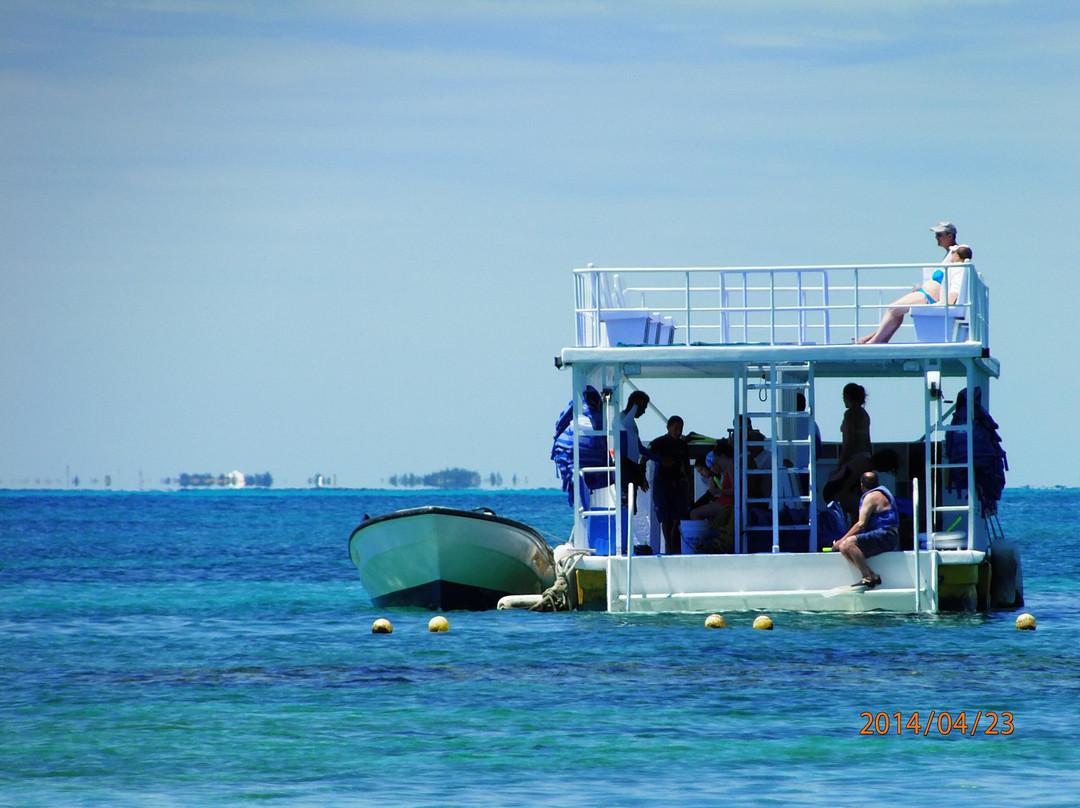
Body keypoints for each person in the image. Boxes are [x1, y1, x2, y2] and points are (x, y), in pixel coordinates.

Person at [856, 222, 972, 344]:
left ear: (950, 236)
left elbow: (965, 255)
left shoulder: (957, 253)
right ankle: (875, 339)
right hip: (925, 293)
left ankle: (873, 341)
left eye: (939, 235)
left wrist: (948, 302)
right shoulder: (948, 256)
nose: (936, 238)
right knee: (896, 312)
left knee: (893, 308)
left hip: (929, 297)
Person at [832, 471, 899, 588]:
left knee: (847, 543)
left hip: (886, 535)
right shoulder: (880, 493)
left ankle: (866, 577)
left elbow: (861, 525)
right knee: (844, 547)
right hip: (887, 536)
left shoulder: (871, 497)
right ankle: (872, 576)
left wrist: (840, 540)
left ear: (862, 486)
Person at [826, 383, 872, 516]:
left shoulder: (850, 414)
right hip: (865, 459)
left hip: (854, 460)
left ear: (848, 397)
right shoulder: (864, 414)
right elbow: (868, 440)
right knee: (858, 492)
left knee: (838, 492)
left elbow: (849, 442)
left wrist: (840, 463)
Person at [649, 415, 692, 553]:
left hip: (677, 483)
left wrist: (689, 485)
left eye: (680, 429)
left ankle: (674, 539)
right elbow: (645, 457)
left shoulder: (683, 445)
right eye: (676, 429)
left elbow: (686, 466)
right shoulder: (658, 442)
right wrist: (642, 478)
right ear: (668, 428)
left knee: (681, 514)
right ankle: (669, 544)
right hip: (661, 483)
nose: (678, 432)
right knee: (664, 515)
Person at [619, 390, 658, 497]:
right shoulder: (620, 419)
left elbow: (640, 448)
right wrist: (635, 406)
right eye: (644, 407)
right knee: (626, 502)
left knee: (632, 505)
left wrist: (660, 459)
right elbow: (624, 425)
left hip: (632, 468)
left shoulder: (632, 423)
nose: (644, 412)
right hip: (624, 467)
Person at [689, 440, 735, 521]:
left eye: (717, 460)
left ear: (723, 456)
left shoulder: (730, 465)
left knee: (694, 513)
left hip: (729, 502)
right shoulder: (727, 469)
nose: (718, 463)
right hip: (727, 501)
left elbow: (736, 491)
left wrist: (718, 491)